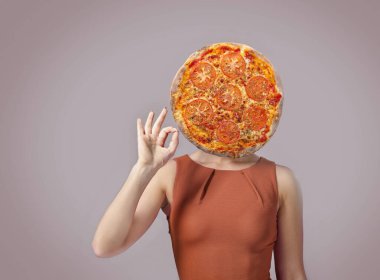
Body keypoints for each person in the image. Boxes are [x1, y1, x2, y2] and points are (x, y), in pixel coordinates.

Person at [92, 107, 307, 280]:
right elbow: (105, 246)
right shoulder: (170, 174)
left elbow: (292, 274)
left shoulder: (281, 180)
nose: (226, 111)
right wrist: (143, 169)